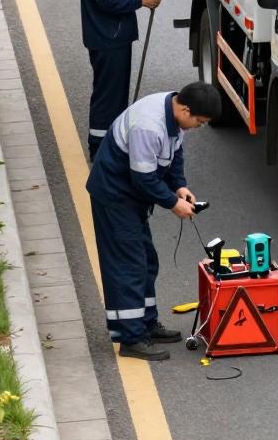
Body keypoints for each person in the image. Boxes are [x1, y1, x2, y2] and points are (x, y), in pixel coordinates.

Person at [86, 82, 221, 360]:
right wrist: (174, 204)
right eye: (199, 121)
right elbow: (144, 178)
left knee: (147, 260)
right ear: (185, 109)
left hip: (131, 196)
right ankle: (131, 338)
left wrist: (180, 186)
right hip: (115, 196)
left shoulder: (175, 117)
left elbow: (175, 154)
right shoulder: (149, 125)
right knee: (128, 265)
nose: (198, 126)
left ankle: (146, 323)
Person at [80, 0, 161, 162]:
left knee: (115, 96)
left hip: (114, 37)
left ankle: (111, 146)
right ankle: (99, 150)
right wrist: (141, 2)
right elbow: (108, 2)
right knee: (108, 97)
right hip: (108, 39)